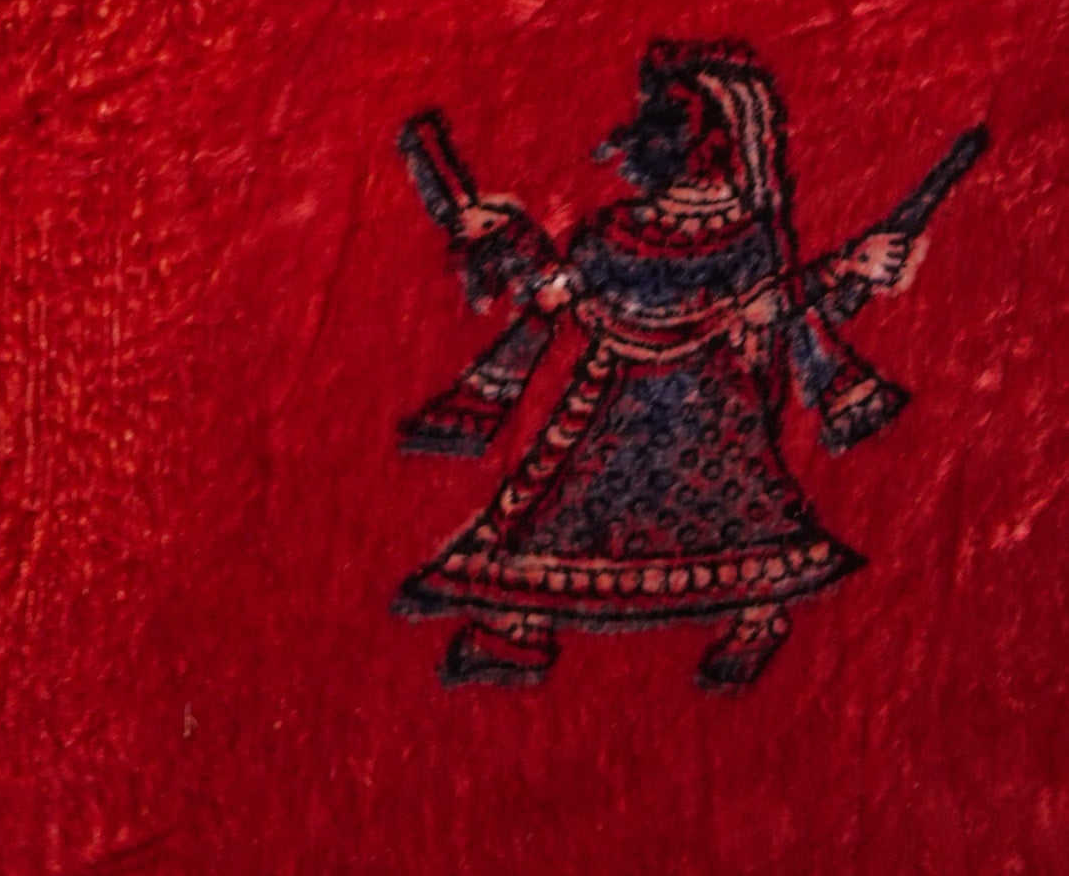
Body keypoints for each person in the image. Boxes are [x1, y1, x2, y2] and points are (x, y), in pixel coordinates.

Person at [393, 42, 980, 689]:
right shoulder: (619, 227)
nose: (637, 137)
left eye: (662, 124)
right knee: (562, 505)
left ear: (706, 140)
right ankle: (520, 623)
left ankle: (754, 615)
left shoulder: (740, 233)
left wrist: (848, 266)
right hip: (616, 399)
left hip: (710, 408)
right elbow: (569, 291)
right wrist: (510, 235)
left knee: (736, 512)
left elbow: (765, 306)